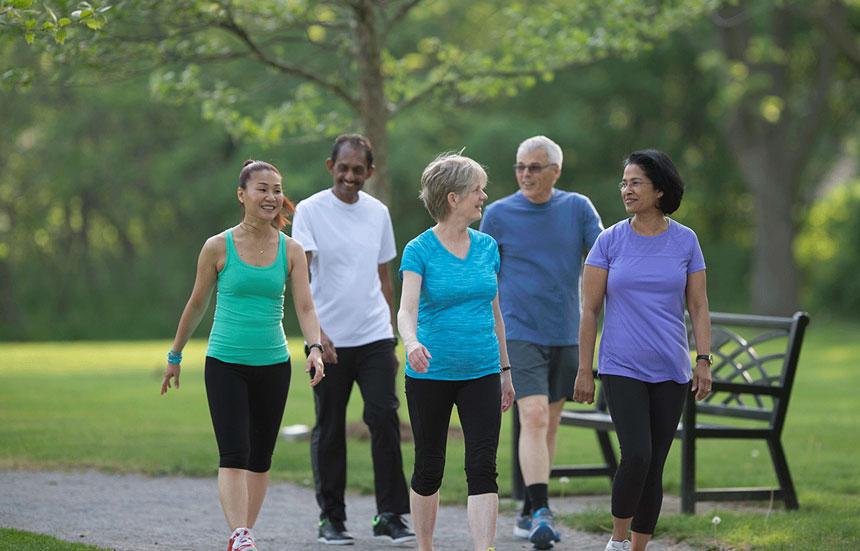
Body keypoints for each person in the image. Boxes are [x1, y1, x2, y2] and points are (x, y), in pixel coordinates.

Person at [160, 159, 326, 551]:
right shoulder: (217, 246)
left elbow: (305, 306)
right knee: (234, 451)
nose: (271, 196)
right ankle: (240, 533)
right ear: (242, 195)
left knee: (260, 457)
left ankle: (243, 534)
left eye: (276, 189)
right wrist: (175, 355)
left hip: (273, 364)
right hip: (225, 363)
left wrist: (315, 347)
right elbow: (197, 303)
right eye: (262, 189)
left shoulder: (292, 250)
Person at [573, 149, 713, 551]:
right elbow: (590, 310)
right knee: (636, 454)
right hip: (621, 366)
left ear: (660, 190)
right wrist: (587, 369)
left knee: (653, 465)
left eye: (635, 183)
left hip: (671, 369)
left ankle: (639, 546)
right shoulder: (609, 240)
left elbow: (699, 306)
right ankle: (617, 541)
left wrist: (703, 360)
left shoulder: (686, 240)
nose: (626, 190)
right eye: (624, 182)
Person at [479, 135, 602, 549]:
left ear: (556, 171)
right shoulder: (497, 214)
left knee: (547, 424)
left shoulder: (577, 208)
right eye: (520, 167)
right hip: (518, 332)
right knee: (532, 417)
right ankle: (543, 512)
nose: (526, 175)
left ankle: (529, 507)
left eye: (534, 167)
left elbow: (602, 257)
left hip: (566, 332)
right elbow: (484, 276)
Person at [290, 134, 414, 545]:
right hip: (328, 342)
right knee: (328, 427)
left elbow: (384, 278)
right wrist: (316, 336)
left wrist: (394, 330)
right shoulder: (309, 210)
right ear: (331, 167)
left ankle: (390, 515)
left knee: (384, 418)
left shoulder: (378, 213)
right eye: (342, 168)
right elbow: (301, 279)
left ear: (370, 172)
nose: (349, 176)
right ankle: (332, 518)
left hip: (375, 335)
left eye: (357, 170)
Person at [398, 153, 516, 551]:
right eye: (477, 189)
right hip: (431, 373)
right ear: (453, 197)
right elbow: (406, 309)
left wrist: (505, 370)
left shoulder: (487, 247)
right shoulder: (419, 250)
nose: (483, 196)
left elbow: (495, 310)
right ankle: (425, 546)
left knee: (483, 465)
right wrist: (412, 343)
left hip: (482, 370)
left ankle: (485, 548)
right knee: (429, 465)